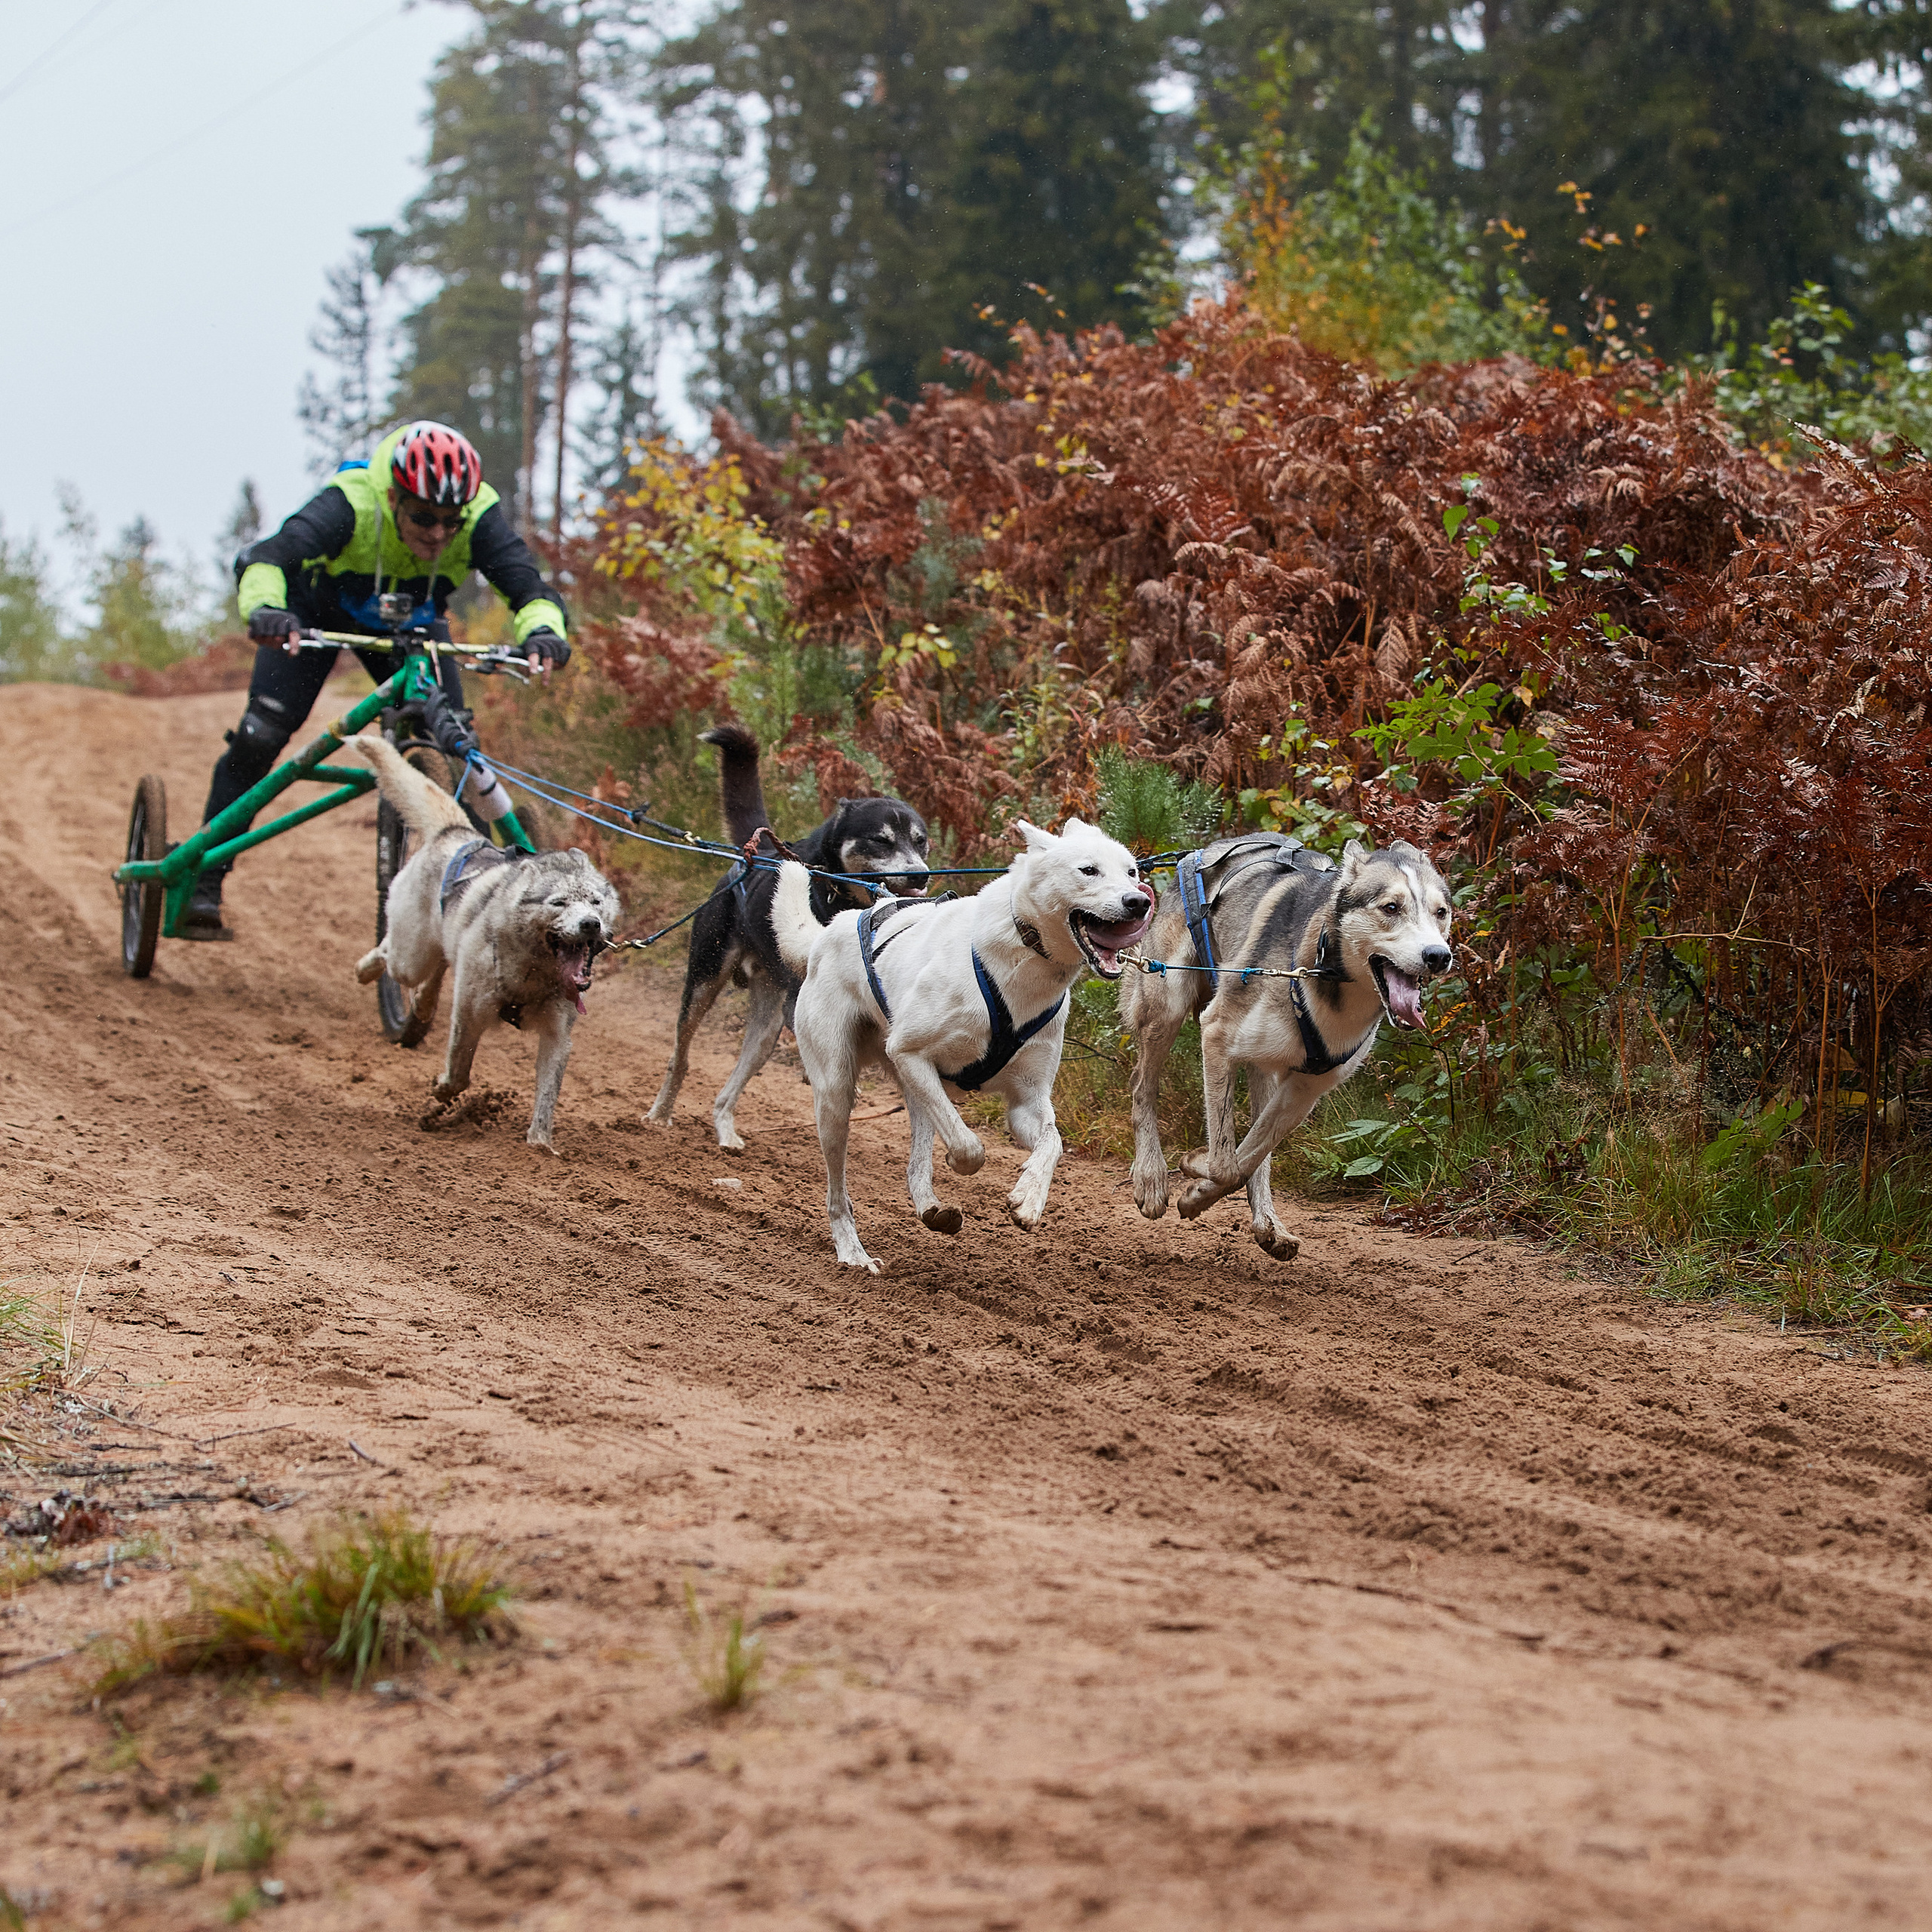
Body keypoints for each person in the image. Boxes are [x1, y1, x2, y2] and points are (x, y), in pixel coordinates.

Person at [184, 420, 571, 939]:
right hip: (312, 610)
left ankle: (485, 892)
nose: (437, 534)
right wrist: (267, 611)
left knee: (454, 741)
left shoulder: (478, 516)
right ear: (393, 496)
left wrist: (544, 633)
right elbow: (265, 558)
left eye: (449, 522)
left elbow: (530, 589)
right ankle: (204, 876)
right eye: (422, 517)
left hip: (408, 619)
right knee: (264, 733)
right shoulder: (351, 502)